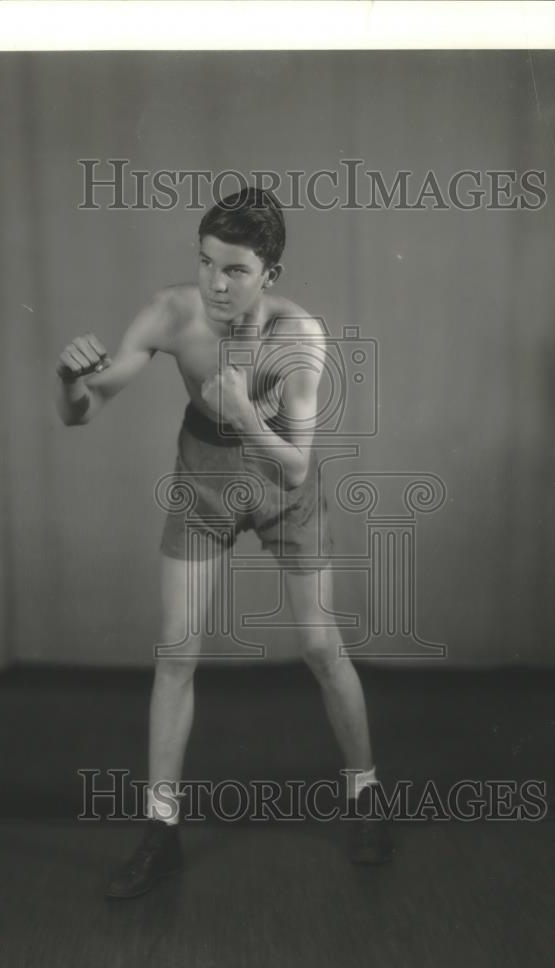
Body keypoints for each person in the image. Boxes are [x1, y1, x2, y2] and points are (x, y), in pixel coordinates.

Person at [56, 188, 393, 899]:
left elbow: (296, 463)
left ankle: (364, 797)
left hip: (278, 478)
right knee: (176, 649)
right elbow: (83, 412)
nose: (214, 282)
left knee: (319, 645)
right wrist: (67, 380)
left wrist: (242, 411)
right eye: (206, 263)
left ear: (269, 273)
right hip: (202, 474)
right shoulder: (171, 312)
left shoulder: (298, 336)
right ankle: (160, 831)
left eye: (235, 270)